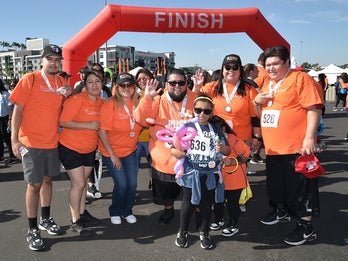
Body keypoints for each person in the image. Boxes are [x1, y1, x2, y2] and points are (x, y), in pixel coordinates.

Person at [253, 45, 323, 246]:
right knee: (278, 187)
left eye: (276, 63)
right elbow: (262, 115)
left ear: (286, 63)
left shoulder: (300, 79)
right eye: (268, 65)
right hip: (274, 148)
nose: (271, 68)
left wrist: (309, 138)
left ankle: (306, 228)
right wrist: (257, 102)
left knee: (300, 191)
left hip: (296, 148)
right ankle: (281, 211)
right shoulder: (268, 84)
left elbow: (313, 109)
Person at [10, 44, 72, 251]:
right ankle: (32, 228)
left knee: (47, 180)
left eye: (57, 60)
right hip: (31, 142)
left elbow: (63, 108)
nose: (54, 63)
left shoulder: (61, 81)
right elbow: (18, 110)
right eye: (50, 59)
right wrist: (14, 140)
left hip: (52, 142)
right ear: (42, 60)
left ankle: (46, 218)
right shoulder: (31, 79)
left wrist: (69, 92)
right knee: (34, 185)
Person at [134, 68, 198, 224]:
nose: (177, 86)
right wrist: (147, 98)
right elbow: (141, 119)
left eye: (181, 82)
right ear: (166, 84)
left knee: (194, 191)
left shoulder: (196, 99)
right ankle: (168, 209)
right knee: (166, 192)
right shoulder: (157, 100)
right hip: (164, 159)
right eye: (173, 82)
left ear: (186, 84)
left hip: (191, 158)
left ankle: (198, 213)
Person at [173, 94, 230, 250]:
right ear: (193, 110)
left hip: (209, 174)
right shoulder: (186, 126)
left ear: (211, 112)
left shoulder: (216, 128)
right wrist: (175, 152)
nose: (202, 114)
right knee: (187, 204)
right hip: (191, 172)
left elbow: (227, 149)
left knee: (206, 204)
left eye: (206, 111)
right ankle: (182, 232)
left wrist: (223, 149)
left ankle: (204, 232)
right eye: (198, 110)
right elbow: (174, 144)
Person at [58, 70, 103, 236]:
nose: (94, 85)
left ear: (102, 83)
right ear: (85, 84)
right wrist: (87, 126)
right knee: (78, 184)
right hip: (70, 148)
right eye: (90, 82)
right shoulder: (76, 100)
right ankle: (75, 221)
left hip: (89, 149)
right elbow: (62, 121)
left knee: (83, 182)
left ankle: (83, 213)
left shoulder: (101, 103)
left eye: (97, 81)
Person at [98, 72, 142, 225]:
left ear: (134, 87)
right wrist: (112, 155)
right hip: (111, 151)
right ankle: (115, 210)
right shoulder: (109, 104)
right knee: (121, 184)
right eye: (122, 85)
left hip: (130, 150)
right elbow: (102, 131)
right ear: (116, 87)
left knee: (132, 184)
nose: (126, 88)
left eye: (129, 85)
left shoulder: (139, 103)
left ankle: (127, 210)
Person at [209, 115, 251, 236]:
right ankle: (219, 220)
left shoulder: (232, 138)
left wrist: (233, 161)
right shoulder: (207, 140)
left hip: (234, 177)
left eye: (215, 129)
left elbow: (246, 153)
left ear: (223, 129)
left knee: (232, 203)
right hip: (218, 177)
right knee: (217, 200)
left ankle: (233, 225)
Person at [0, 79, 16, 165]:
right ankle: (1, 156)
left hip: (5, 118)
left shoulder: (6, 95)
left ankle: (12, 156)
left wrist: (10, 120)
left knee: (6, 138)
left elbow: (10, 109)